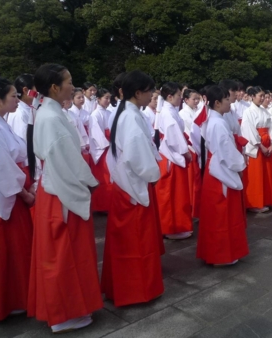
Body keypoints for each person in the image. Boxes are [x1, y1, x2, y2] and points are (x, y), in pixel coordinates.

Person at [28, 64, 102, 332]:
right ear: (55, 87)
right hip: (61, 191)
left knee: (63, 255)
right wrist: (89, 183)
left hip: (57, 188)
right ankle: (65, 313)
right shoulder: (51, 117)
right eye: (69, 82)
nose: (73, 86)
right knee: (63, 256)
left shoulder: (50, 113)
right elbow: (65, 159)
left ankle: (68, 309)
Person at [102, 70, 164, 307]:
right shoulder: (131, 116)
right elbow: (137, 154)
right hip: (133, 184)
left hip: (125, 183)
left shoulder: (126, 113)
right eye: (149, 91)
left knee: (127, 241)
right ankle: (137, 290)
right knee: (135, 241)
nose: (152, 96)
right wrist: (153, 174)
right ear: (138, 93)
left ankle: (126, 288)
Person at [0, 77, 35, 321]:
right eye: (13, 96)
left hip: (12, 188)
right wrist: (24, 192)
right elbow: (0, 166)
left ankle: (19, 297)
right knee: (8, 251)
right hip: (4, 195)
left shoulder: (0, 121)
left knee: (16, 250)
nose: (18, 100)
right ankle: (11, 300)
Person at [196, 86, 248, 266]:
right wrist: (240, 164)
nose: (229, 102)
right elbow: (227, 152)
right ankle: (221, 254)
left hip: (215, 168)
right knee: (222, 216)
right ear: (217, 103)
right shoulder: (218, 123)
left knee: (216, 215)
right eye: (226, 99)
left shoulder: (213, 120)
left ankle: (216, 252)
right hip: (221, 171)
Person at [155, 82, 193, 239]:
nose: (180, 99)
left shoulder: (170, 111)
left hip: (172, 154)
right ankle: (171, 227)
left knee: (176, 193)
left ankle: (178, 225)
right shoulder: (167, 113)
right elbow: (173, 136)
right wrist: (185, 152)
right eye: (178, 95)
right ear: (169, 96)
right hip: (171, 155)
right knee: (170, 194)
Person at [241, 86, 272, 212]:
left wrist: (271, 144)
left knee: (266, 174)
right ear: (252, 96)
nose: (263, 98)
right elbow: (249, 130)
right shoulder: (248, 112)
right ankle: (254, 203)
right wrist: (260, 145)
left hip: (267, 142)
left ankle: (265, 200)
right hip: (257, 145)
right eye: (260, 96)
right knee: (256, 174)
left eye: (264, 96)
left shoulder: (266, 111)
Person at [88, 88, 112, 211]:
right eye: (105, 98)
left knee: (110, 178)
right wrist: (107, 144)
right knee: (104, 178)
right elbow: (97, 135)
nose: (108, 100)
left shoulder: (109, 113)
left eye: (109, 98)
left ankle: (109, 204)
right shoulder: (95, 115)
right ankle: (101, 206)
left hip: (109, 147)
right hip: (102, 150)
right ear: (98, 99)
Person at [179, 88, 202, 218]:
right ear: (186, 99)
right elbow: (189, 133)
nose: (196, 101)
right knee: (192, 180)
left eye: (198, 99)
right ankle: (191, 205)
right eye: (194, 99)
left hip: (198, 147)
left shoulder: (196, 111)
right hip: (191, 148)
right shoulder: (183, 114)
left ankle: (196, 205)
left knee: (197, 180)